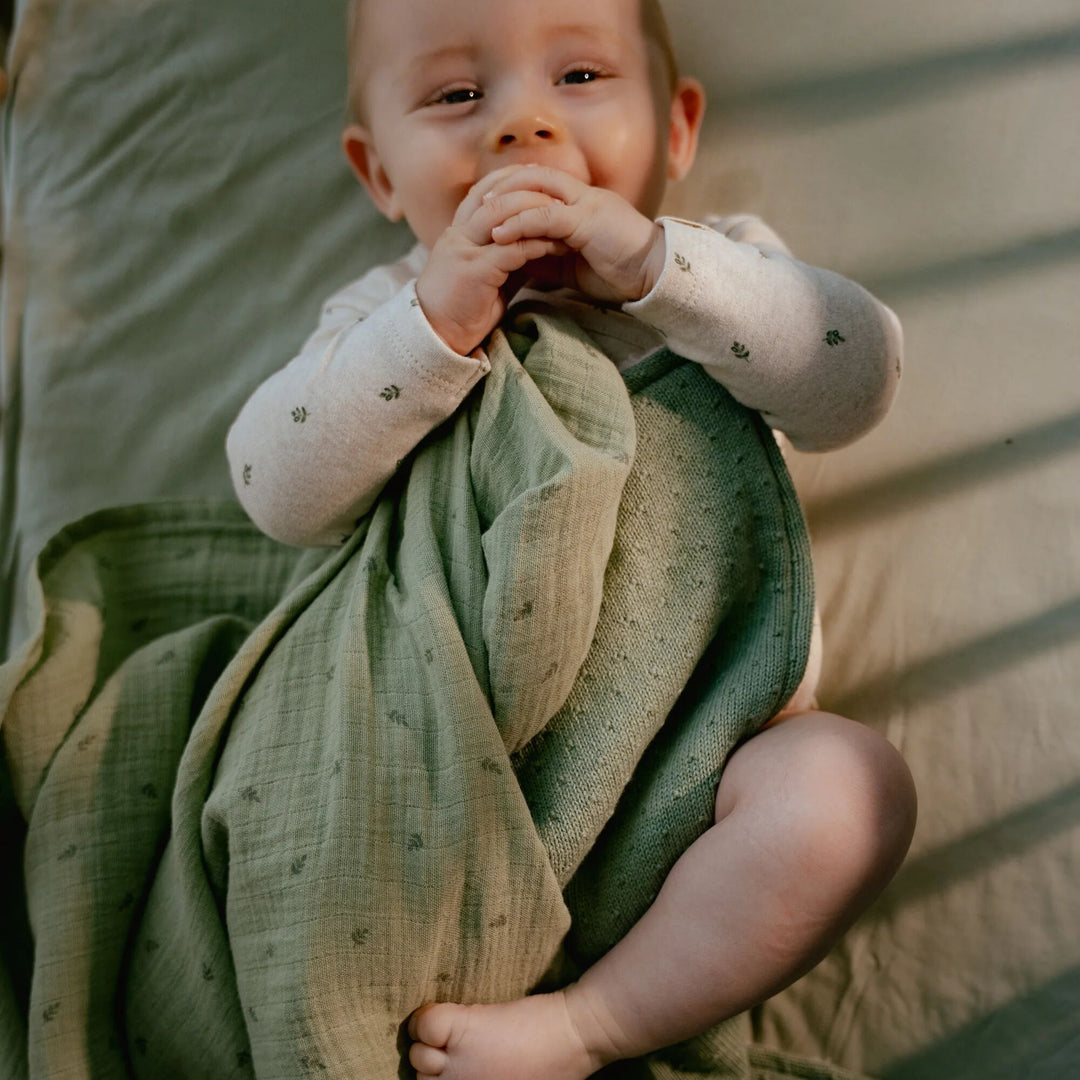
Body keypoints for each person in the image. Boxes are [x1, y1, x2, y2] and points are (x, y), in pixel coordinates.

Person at [226, 0, 918, 1077]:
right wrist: (433, 325)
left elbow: (859, 375)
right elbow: (275, 487)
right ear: (379, 173)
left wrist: (655, 270)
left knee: (850, 793)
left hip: (688, 774)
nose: (523, 126)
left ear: (676, 130)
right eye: (457, 95)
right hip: (437, 767)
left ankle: (590, 1024)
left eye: (581, 79)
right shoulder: (387, 314)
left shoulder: (716, 276)